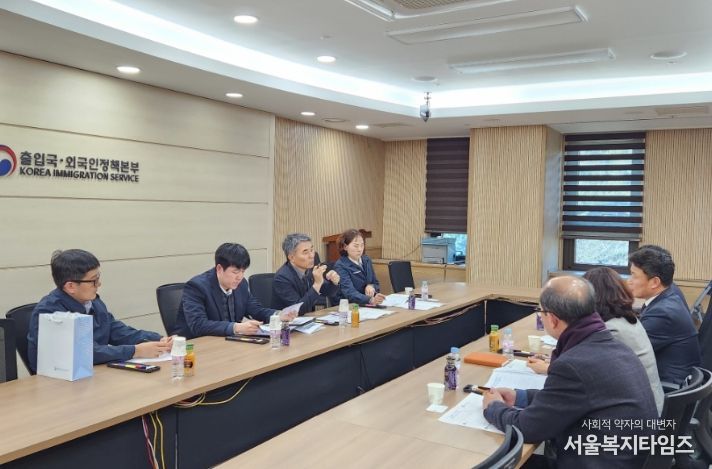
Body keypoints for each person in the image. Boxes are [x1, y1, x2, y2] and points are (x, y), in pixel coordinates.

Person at [483, 276, 658, 468]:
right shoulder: (612, 345)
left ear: (552, 319)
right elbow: (566, 398)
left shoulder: (573, 365)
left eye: (540, 312)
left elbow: (529, 428)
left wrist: (494, 408)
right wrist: (520, 397)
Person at [527, 268, 664, 414]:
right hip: (644, 404)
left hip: (637, 414)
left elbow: (586, 375)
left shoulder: (609, 331)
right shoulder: (626, 319)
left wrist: (548, 368)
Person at [27, 249, 172, 373]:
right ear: (70, 286)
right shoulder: (49, 313)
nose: (99, 284)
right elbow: (82, 353)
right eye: (93, 281)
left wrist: (158, 339)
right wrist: (135, 351)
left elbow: (115, 330)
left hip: (94, 373)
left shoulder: (93, 302)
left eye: (98, 278)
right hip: (57, 383)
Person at [174, 243, 296, 339]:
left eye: (243, 271)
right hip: (195, 347)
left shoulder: (241, 284)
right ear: (219, 269)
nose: (240, 277)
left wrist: (279, 315)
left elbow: (256, 310)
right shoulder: (196, 287)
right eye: (235, 272)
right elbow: (198, 325)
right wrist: (236, 327)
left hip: (227, 342)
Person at [628, 245, 700, 385]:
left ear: (655, 282)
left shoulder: (663, 313)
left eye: (634, 275)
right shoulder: (670, 293)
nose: (629, 281)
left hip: (668, 388)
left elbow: (627, 352)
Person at [272, 233, 341, 314]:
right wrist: (317, 284)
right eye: (305, 252)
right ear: (291, 257)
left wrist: (334, 282)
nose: (312, 255)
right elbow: (298, 311)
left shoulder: (310, 269)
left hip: (308, 319)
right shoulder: (282, 278)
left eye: (311, 250)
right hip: (287, 321)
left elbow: (328, 292)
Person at [332, 229, 385, 305]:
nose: (360, 249)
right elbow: (349, 293)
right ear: (345, 247)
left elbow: (375, 282)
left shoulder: (366, 260)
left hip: (367, 304)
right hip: (349, 305)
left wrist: (371, 286)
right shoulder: (340, 265)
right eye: (356, 246)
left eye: (362, 245)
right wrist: (370, 300)